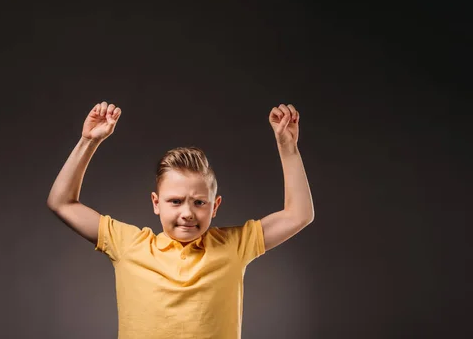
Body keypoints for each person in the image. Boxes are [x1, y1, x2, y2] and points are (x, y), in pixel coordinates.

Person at [47, 101, 314, 339]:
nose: (187, 213)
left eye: (199, 203)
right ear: (156, 203)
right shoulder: (128, 244)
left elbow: (299, 214)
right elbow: (61, 202)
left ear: (215, 206)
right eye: (175, 201)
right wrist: (88, 141)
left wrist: (287, 147)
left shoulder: (235, 245)